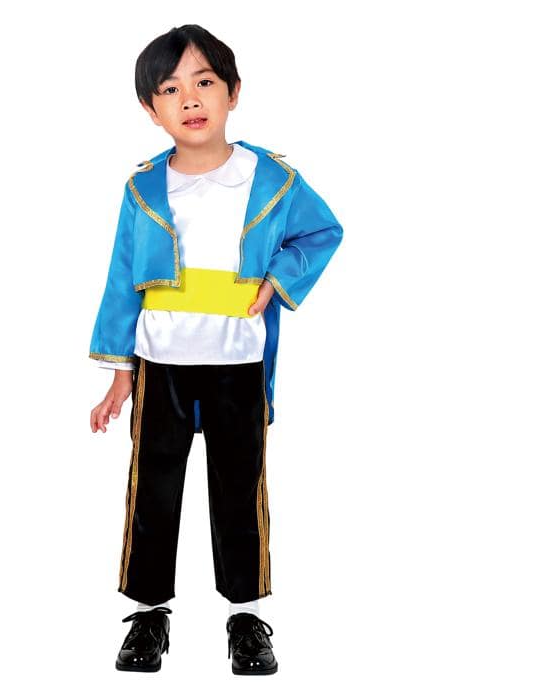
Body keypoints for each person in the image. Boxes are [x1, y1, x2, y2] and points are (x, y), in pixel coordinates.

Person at [88, 24, 343, 675]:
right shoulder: (143, 189)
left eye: (204, 82)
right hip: (160, 363)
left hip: (238, 362)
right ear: (152, 109)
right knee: (153, 491)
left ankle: (246, 617)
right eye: (171, 89)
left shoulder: (272, 179)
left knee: (239, 488)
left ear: (233, 92)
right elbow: (123, 279)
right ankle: (148, 615)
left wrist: (278, 280)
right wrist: (120, 373)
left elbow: (321, 232)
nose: (191, 99)